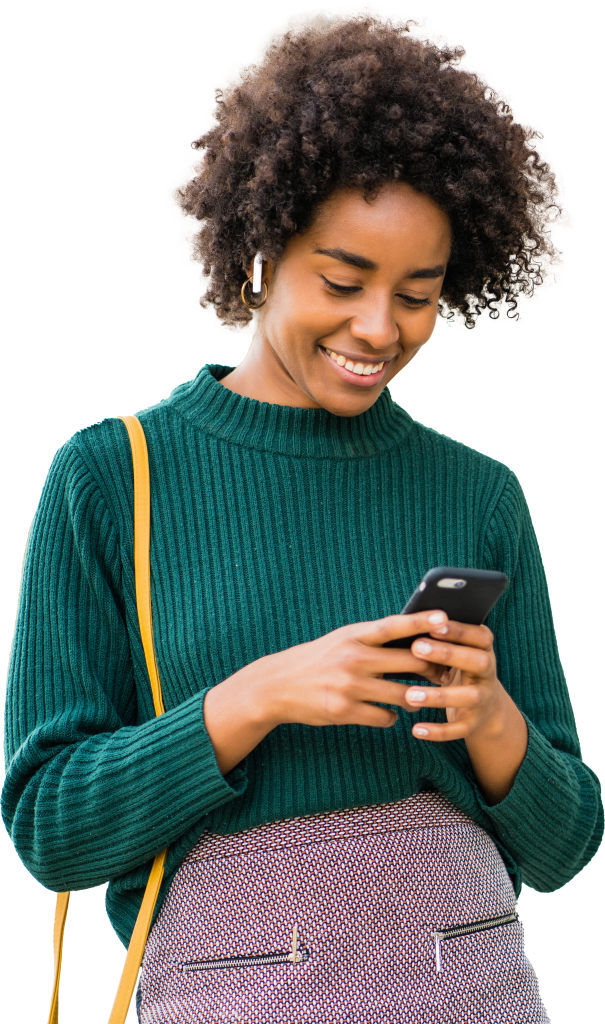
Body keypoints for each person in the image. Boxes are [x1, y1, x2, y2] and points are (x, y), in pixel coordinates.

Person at [3, 7, 602, 1023]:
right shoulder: (111, 477)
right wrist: (257, 698)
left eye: (416, 293)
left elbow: (564, 848)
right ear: (258, 250)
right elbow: (50, 830)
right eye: (341, 280)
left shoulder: (479, 492)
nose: (378, 328)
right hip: (236, 989)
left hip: (474, 986)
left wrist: (490, 721)